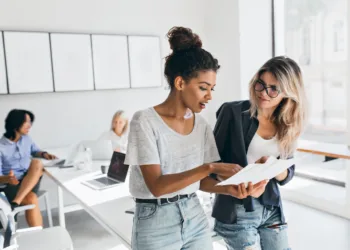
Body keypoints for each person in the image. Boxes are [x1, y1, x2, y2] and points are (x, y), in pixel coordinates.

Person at [124, 26, 267, 250]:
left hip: (194, 214)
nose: (210, 96)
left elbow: (200, 182)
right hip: (155, 221)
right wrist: (211, 166)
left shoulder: (201, 125)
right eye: (203, 88)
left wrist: (229, 189)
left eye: (212, 88)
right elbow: (157, 186)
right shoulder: (144, 121)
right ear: (180, 83)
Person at [200, 56, 307, 250]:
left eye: (273, 89)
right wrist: (240, 179)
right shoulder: (232, 112)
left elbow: (287, 174)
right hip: (237, 209)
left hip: (272, 209)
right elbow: (211, 165)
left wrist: (273, 168)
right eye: (261, 84)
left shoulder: (289, 123)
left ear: (288, 93)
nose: (264, 93)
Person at [0, 109, 57, 227]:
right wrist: (8, 178)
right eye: (27, 122)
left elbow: (35, 151)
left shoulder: (27, 139)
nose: (29, 125)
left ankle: (17, 201)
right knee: (31, 198)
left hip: (29, 181)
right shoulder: (1, 146)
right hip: (11, 185)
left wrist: (44, 154)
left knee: (37, 162)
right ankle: (39, 237)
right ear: (16, 123)